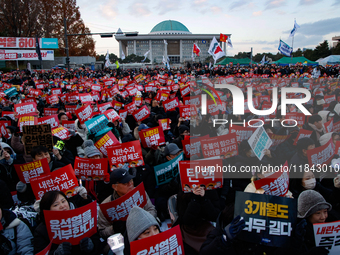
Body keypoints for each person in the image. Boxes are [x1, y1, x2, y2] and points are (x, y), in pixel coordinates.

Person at [34, 190, 102, 255]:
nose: (62, 206)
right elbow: (40, 252)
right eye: (56, 205)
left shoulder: (82, 218)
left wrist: (92, 246)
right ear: (47, 209)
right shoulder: (41, 230)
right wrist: (55, 253)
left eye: (63, 201)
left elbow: (97, 241)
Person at [97, 168, 157, 240]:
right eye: (125, 183)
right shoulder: (106, 205)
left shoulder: (140, 192)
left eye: (131, 180)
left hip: (144, 233)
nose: (130, 184)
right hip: (122, 240)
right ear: (114, 187)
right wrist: (114, 229)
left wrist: (142, 221)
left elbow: (152, 209)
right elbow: (102, 231)